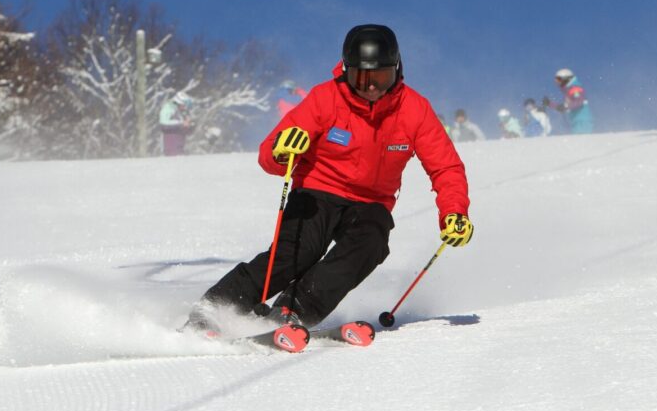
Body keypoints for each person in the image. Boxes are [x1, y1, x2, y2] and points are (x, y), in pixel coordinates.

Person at [185, 24, 473, 333]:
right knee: (297, 253)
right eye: (362, 78)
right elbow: (268, 153)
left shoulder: (414, 109)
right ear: (347, 72)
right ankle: (213, 310)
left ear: (397, 71)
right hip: (317, 192)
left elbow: (446, 167)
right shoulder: (325, 99)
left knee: (370, 244)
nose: (372, 87)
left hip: (371, 203)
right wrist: (283, 150)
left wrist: (454, 211)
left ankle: (292, 310)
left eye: (381, 78)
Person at [545, 68, 593, 134]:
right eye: (556, 81)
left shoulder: (575, 89)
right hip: (576, 121)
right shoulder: (569, 91)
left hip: (582, 121)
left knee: (582, 142)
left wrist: (566, 106)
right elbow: (562, 108)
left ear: (566, 79)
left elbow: (579, 101)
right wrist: (549, 104)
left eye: (559, 80)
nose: (558, 83)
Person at [159, 91, 194, 156]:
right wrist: (181, 123)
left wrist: (189, 125)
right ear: (179, 102)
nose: (185, 108)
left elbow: (185, 130)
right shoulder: (168, 108)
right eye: (184, 105)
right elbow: (164, 124)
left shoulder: (180, 112)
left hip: (180, 147)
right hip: (170, 148)